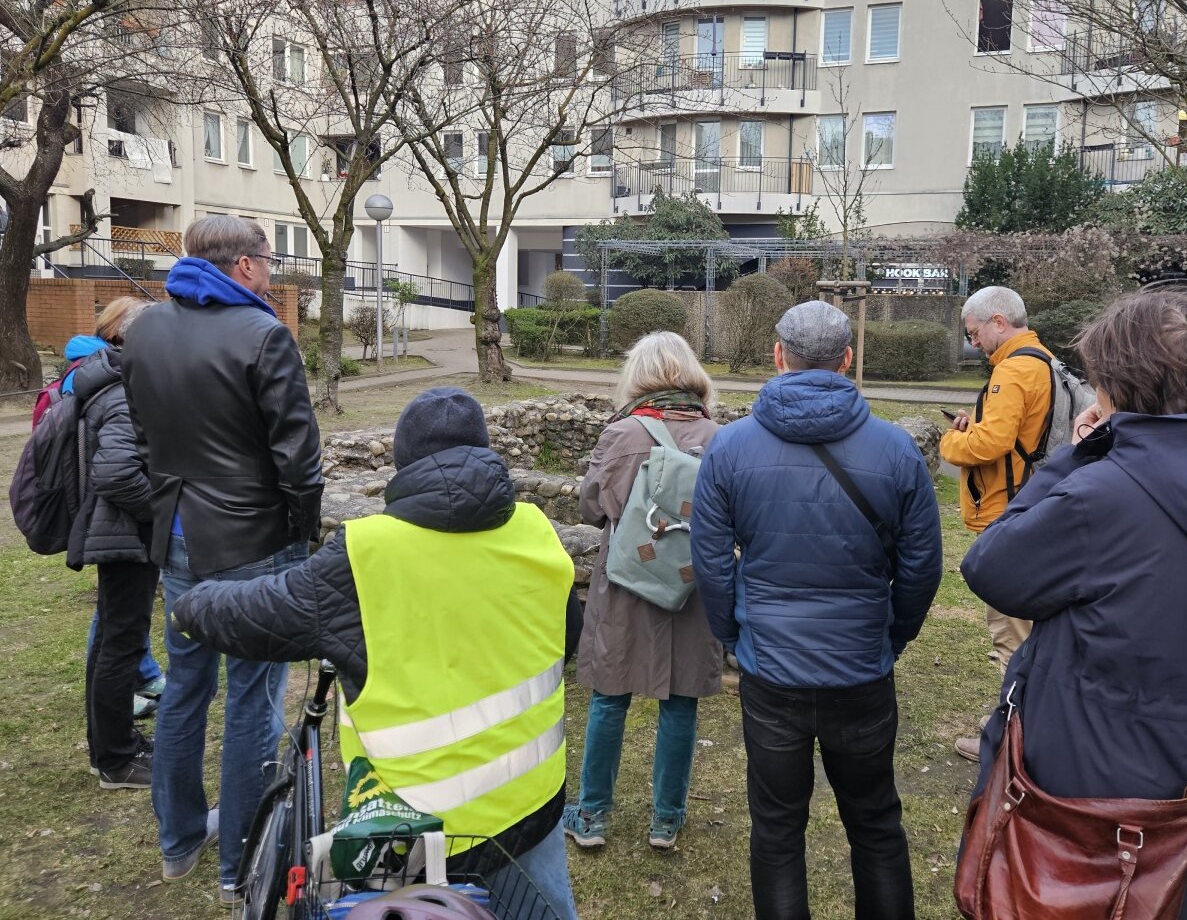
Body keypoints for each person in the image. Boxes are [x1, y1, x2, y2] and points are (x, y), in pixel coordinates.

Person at [959, 291, 1187, 920]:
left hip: (1084, 809)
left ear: (1119, 386)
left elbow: (992, 568)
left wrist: (1075, 457)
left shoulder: (1098, 496)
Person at [172, 387, 580, 920]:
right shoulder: (536, 530)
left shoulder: (366, 552)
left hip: (408, 825)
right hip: (533, 804)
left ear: (402, 461)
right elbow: (565, 638)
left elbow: (261, 612)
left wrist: (191, 605)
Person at [691, 300, 943, 920]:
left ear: (779, 356)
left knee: (777, 829)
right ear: (848, 359)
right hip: (860, 666)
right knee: (876, 822)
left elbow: (712, 562)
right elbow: (921, 568)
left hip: (771, 670)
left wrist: (734, 635)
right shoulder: (895, 449)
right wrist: (892, 635)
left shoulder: (729, 449)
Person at [122, 216, 324, 897]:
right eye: (268, 260)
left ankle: (178, 842)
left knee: (186, 685)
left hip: (178, 533)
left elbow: (144, 434)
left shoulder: (144, 327)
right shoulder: (264, 334)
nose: (272, 271)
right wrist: (302, 533)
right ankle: (240, 861)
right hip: (253, 542)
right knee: (253, 696)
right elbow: (299, 459)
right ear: (243, 266)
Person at [563, 332, 722, 853]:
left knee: (610, 697)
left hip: (628, 578)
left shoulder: (623, 433)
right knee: (680, 702)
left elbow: (590, 507)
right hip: (688, 585)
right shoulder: (719, 437)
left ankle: (591, 814)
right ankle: (666, 820)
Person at [938, 285, 1054, 762]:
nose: (975, 344)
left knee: (1011, 633)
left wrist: (950, 441)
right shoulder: (1042, 362)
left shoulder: (1015, 368)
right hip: (1031, 509)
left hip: (1009, 516)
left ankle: (1007, 740)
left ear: (999, 322)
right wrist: (978, 423)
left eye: (975, 333)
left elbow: (991, 445)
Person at [65, 296, 160, 789]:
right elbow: (118, 474)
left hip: (115, 531)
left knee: (110, 643)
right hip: (125, 534)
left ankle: (110, 745)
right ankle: (116, 760)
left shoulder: (105, 378)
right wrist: (159, 515)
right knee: (120, 644)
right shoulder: (122, 392)